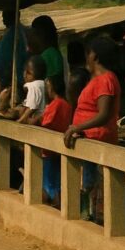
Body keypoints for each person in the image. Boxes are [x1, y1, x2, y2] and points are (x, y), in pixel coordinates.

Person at [63, 36, 122, 224]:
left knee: (95, 187)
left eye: (87, 54)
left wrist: (77, 127)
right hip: (90, 139)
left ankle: (97, 222)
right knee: (89, 186)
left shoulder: (105, 80)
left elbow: (104, 114)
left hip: (99, 140)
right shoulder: (96, 80)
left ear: (94, 56)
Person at [40, 73, 73, 206]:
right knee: (58, 180)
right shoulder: (67, 104)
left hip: (49, 148)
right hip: (60, 148)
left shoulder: (56, 104)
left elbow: (47, 123)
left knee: (49, 182)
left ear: (52, 87)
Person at [0, 8, 27, 86]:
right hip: (20, 75)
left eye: (5, 17)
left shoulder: (12, 34)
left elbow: (0, 60)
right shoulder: (23, 31)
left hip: (13, 77)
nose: (3, 20)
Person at [13, 55, 47, 124]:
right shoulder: (44, 84)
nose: (24, 75)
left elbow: (31, 107)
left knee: (16, 111)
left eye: (28, 72)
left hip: (35, 120)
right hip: (43, 118)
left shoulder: (33, 85)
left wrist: (20, 120)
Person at [31, 15, 65, 81]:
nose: (32, 38)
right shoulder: (54, 52)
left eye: (34, 34)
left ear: (41, 34)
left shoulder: (47, 56)